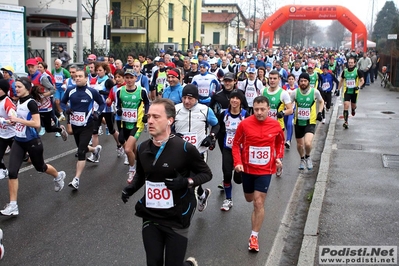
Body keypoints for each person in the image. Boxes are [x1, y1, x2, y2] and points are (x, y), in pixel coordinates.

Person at [121, 98, 212, 266]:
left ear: (170, 120)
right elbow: (141, 175)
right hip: (151, 214)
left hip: (177, 216)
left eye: (156, 117)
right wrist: (130, 188)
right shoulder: (142, 148)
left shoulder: (185, 148)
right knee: (153, 263)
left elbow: (206, 174)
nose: (150, 121)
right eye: (148, 117)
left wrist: (186, 182)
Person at [0, 77, 66, 216]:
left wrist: (18, 120)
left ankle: (58, 175)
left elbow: (37, 124)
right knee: (12, 172)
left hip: (32, 142)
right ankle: (13, 206)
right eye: (15, 87)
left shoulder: (31, 103)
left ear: (27, 88)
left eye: (18, 87)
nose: (15, 89)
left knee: (40, 167)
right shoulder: (18, 101)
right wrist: (12, 122)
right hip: (18, 140)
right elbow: (21, 121)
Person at [232, 96, 285, 252]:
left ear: (269, 109)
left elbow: (280, 142)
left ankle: (254, 236)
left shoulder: (275, 125)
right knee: (249, 199)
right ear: (252, 109)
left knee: (258, 202)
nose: (259, 112)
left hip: (265, 170)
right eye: (256, 109)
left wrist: (278, 157)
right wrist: (238, 163)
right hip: (247, 169)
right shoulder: (245, 124)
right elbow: (236, 144)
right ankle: (254, 214)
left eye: (263, 109)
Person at [174, 85, 219, 212]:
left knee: (191, 184)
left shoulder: (205, 110)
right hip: (180, 153)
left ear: (197, 99)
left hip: (198, 153)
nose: (187, 101)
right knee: (184, 181)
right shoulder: (175, 109)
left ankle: (186, 217)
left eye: (190, 98)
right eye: (184, 98)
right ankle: (202, 195)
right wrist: (173, 135)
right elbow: (166, 126)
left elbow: (216, 125)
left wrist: (211, 137)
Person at [61, 69, 105, 190]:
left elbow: (102, 104)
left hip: (87, 125)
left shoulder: (92, 92)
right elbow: (62, 103)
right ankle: (95, 150)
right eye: (76, 76)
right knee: (83, 147)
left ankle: (76, 179)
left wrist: (98, 113)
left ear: (86, 79)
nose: (77, 78)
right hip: (75, 125)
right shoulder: (70, 90)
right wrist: (66, 109)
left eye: (80, 76)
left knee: (80, 152)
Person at [116, 69, 150, 183]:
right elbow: (117, 105)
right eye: (127, 77)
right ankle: (142, 164)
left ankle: (132, 170)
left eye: (131, 77)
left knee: (128, 149)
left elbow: (147, 102)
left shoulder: (142, 91)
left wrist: (146, 114)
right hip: (124, 123)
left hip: (137, 124)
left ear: (136, 78)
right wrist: (119, 110)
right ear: (124, 78)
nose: (129, 80)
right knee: (132, 148)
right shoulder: (120, 91)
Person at [218, 89, 249, 211]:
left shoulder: (245, 115)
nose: (234, 100)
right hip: (227, 148)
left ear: (241, 101)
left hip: (241, 150)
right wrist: (221, 147)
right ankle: (228, 199)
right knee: (226, 174)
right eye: (232, 98)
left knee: (238, 179)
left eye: (237, 98)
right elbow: (221, 132)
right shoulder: (224, 114)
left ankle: (238, 174)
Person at [260, 70, 293, 177]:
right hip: (264, 126)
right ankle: (265, 169)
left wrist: (282, 113)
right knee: (265, 148)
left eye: (275, 78)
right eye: (270, 78)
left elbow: (290, 109)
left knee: (277, 149)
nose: (272, 81)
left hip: (278, 126)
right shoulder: (263, 91)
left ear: (279, 79)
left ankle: (279, 164)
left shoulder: (283, 93)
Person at [290, 73, 324, 170]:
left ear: (308, 82)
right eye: (301, 81)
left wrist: (320, 113)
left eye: (305, 81)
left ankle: (308, 156)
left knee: (307, 143)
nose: (303, 83)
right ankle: (302, 159)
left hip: (310, 121)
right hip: (298, 122)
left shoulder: (315, 92)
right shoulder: (295, 93)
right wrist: (286, 111)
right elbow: (289, 104)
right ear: (299, 82)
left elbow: (321, 101)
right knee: (300, 145)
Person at [337, 56, 364, 129]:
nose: (350, 64)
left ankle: (353, 109)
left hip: (355, 91)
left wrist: (358, 86)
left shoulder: (357, 71)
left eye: (352, 63)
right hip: (347, 91)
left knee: (353, 105)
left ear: (355, 63)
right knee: (346, 105)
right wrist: (338, 89)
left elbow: (362, 80)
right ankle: (346, 122)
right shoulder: (345, 71)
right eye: (349, 63)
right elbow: (341, 80)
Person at [0, 80, 15, 179]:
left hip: (13, 135)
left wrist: (2, 120)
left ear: (4, 90)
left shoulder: (7, 102)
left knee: (24, 158)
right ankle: (3, 169)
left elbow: (13, 121)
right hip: (2, 135)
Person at [282, 74, 298, 149]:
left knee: (289, 124)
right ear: (287, 80)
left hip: (293, 109)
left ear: (294, 80)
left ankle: (288, 140)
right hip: (285, 109)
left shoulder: (297, 88)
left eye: (292, 79)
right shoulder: (285, 87)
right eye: (289, 79)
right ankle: (289, 138)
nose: (291, 80)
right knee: (287, 125)